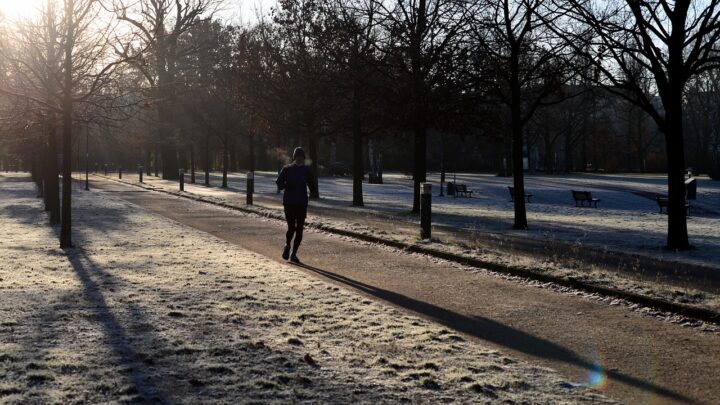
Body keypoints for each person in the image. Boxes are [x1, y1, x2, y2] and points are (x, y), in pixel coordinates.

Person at [276, 147, 317, 263]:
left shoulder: (306, 170)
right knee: (291, 227)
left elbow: (311, 183)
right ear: (294, 158)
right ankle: (287, 245)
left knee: (299, 229)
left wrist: (313, 190)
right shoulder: (287, 169)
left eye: (301, 157)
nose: (299, 159)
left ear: (303, 158)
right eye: (297, 157)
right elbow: (279, 183)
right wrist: (285, 186)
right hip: (289, 202)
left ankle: (294, 254)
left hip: (301, 203)